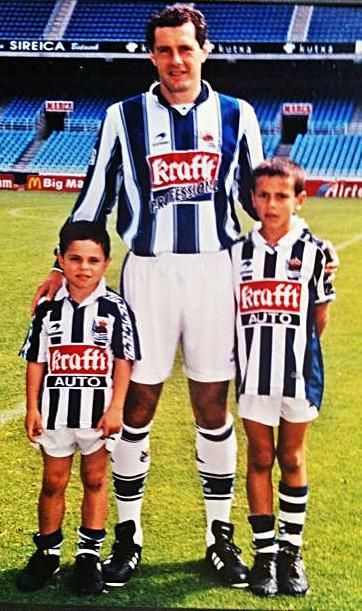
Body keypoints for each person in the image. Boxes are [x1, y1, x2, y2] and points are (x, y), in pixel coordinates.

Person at [31, 3, 338, 590]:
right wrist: (58, 262)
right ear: (153, 55)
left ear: (204, 50)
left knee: (212, 407)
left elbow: (261, 198)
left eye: (185, 48)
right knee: (135, 405)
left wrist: (303, 248)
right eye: (165, 49)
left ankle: (219, 538)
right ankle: (127, 536)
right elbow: (96, 195)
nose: (176, 59)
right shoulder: (124, 117)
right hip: (148, 273)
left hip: (214, 274)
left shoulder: (236, 113)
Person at [231, 158, 336, 597]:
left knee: (291, 458)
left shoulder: (317, 253)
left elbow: (320, 318)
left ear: (299, 199)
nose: (271, 204)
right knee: (259, 458)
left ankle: (291, 554)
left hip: (299, 374)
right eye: (263, 196)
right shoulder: (237, 253)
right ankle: (264, 555)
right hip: (253, 375)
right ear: (252, 199)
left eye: (281, 196)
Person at [17, 221, 140, 595]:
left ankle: (88, 556)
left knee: (95, 480)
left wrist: (117, 407)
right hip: (56, 414)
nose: (83, 268)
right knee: (53, 482)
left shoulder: (115, 308)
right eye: (74, 259)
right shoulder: (48, 309)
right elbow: (36, 360)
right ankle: (48, 553)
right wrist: (32, 408)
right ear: (60, 260)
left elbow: (123, 361)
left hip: (98, 415)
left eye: (92, 260)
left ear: (106, 263)